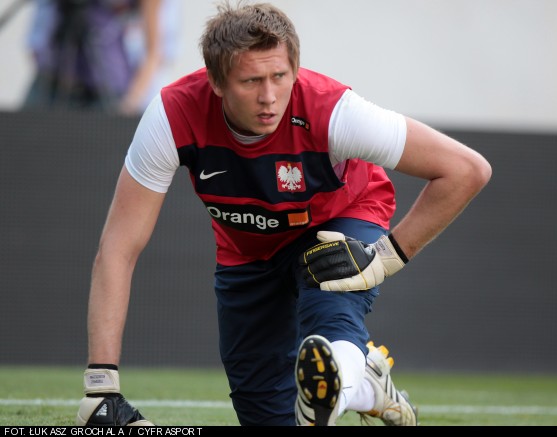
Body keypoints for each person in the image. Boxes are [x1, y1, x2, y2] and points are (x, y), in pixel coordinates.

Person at [75, 0, 492, 427]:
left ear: (295, 69)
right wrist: (101, 388)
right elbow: (118, 247)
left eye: (279, 76)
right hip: (248, 252)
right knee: (266, 416)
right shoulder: (172, 115)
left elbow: (467, 170)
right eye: (250, 81)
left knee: (330, 299)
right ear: (216, 82)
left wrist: (387, 256)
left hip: (338, 220)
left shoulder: (334, 111)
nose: (269, 97)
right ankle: (366, 382)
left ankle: (346, 371)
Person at [23, 0, 177, 115]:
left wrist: (130, 104)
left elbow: (154, 52)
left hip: (106, 87)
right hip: (52, 79)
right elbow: (38, 37)